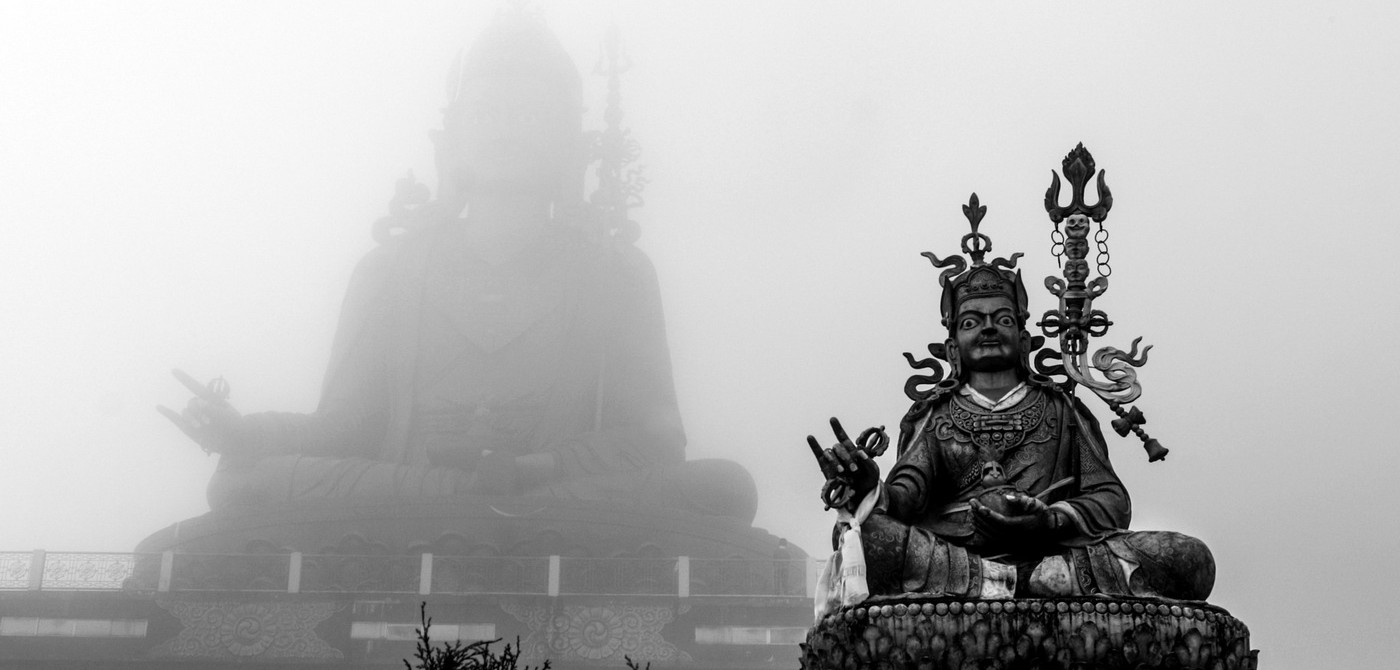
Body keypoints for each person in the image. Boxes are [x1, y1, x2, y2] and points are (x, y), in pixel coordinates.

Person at [160, 13, 757, 523]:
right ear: (450, 138)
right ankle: (475, 502)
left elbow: (657, 443)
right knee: (243, 483)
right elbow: (345, 427)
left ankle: (494, 501)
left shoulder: (615, 270)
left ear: (570, 140)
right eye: (486, 110)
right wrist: (248, 434)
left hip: (551, 493)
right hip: (409, 489)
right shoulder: (390, 268)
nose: (503, 127)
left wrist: (536, 468)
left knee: (724, 488)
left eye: (527, 113)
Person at [810, 222, 1213, 600]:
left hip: (1054, 552)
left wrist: (1050, 520)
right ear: (953, 348)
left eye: (1001, 319)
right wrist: (869, 488)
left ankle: (1025, 579)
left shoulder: (1060, 409)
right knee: (857, 538)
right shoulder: (936, 416)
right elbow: (907, 499)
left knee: (1189, 558)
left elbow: (1111, 500)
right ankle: (1005, 580)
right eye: (971, 321)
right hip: (958, 554)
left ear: (1024, 341)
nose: (987, 328)